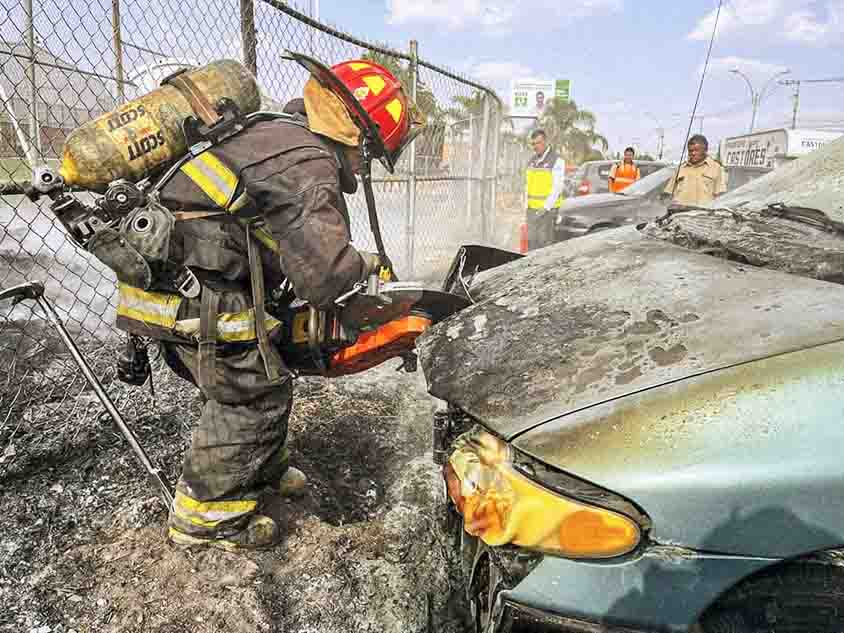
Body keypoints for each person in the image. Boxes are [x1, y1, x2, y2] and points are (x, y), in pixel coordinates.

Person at [113, 57, 419, 551]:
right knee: (255, 393)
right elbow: (323, 278)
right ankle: (206, 519)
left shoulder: (278, 131)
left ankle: (257, 465)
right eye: (371, 154)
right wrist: (363, 266)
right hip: (194, 299)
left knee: (265, 365)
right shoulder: (309, 163)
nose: (365, 167)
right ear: (358, 136)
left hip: (175, 289)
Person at [525, 129, 565, 250]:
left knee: (544, 244)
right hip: (532, 210)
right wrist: (526, 206)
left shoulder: (557, 160)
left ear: (545, 142)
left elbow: (557, 187)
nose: (535, 146)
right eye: (533, 144)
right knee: (532, 242)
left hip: (547, 211)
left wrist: (546, 207)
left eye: (538, 143)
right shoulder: (532, 161)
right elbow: (527, 185)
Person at [663, 134, 727, 206]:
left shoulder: (716, 168)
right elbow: (668, 193)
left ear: (705, 150)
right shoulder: (681, 168)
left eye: (697, 150)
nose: (693, 153)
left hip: (703, 215)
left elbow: (720, 196)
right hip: (679, 214)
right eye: (690, 151)